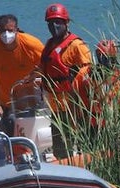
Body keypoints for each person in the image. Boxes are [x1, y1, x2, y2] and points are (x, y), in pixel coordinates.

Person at [36, 3, 92, 159]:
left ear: (66, 23)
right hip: (55, 105)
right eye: (51, 22)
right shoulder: (49, 45)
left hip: (74, 104)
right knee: (59, 147)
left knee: (79, 143)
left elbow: (88, 70)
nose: (54, 26)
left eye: (58, 22)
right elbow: (43, 67)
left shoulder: (76, 45)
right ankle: (64, 169)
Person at [0, 14, 45, 133]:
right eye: (2, 31)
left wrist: (35, 74)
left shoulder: (32, 44)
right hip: (7, 104)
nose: (6, 34)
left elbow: (48, 64)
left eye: (10, 30)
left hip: (34, 102)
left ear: (17, 30)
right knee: (11, 137)